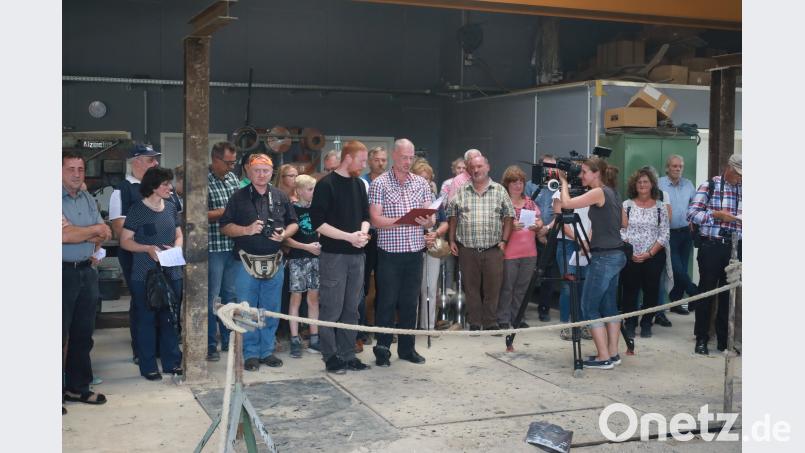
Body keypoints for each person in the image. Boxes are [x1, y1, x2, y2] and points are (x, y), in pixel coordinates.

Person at [220, 153, 299, 371]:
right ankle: (251, 353)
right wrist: (246, 230)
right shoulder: (238, 197)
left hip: (275, 260)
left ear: (272, 172)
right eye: (257, 170)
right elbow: (224, 226)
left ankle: (266, 351)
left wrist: (284, 234)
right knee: (247, 310)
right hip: (245, 262)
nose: (262, 174)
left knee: (270, 309)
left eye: (266, 170)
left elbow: (294, 223)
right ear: (248, 171)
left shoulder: (281, 196)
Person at [109, 143, 180, 363]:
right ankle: (142, 352)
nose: (156, 162)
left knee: (167, 304)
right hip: (137, 258)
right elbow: (120, 229)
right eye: (150, 159)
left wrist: (172, 245)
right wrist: (148, 243)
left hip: (168, 259)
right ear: (136, 161)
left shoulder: (168, 192)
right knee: (144, 305)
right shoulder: (122, 191)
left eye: (156, 159)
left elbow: (176, 220)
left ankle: (163, 351)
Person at [556, 156, 626, 370]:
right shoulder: (613, 192)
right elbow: (624, 222)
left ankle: (603, 356)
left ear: (596, 173)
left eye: (584, 171)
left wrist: (564, 183)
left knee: (589, 307)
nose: (581, 175)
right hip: (616, 254)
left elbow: (566, 204)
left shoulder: (598, 192)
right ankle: (613, 353)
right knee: (609, 306)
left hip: (604, 258)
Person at [369, 138, 435, 366]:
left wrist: (428, 222)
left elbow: (431, 217)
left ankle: (407, 349)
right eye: (404, 157)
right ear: (394, 156)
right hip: (389, 254)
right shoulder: (380, 184)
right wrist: (404, 222)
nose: (408, 162)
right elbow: (375, 219)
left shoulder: (421, 183)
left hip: (415, 253)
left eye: (411, 157)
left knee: (409, 303)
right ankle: (382, 350)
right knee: (386, 302)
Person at [310, 140, 372, 374]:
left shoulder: (359, 185)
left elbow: (366, 215)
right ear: (348, 158)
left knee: (352, 308)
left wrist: (362, 234)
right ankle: (330, 356)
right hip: (334, 256)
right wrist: (348, 237)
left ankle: (348, 354)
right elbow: (319, 223)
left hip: (357, 255)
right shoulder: (326, 185)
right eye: (362, 160)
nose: (364, 165)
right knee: (331, 308)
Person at [119, 167, 184, 380]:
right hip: (144, 273)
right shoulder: (137, 209)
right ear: (153, 187)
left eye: (170, 183)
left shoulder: (171, 207)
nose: (170, 187)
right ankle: (148, 366)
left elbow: (178, 234)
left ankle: (172, 362)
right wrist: (147, 249)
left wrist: (176, 247)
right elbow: (125, 241)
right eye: (165, 184)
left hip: (171, 270)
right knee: (146, 319)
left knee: (170, 318)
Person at [62, 151, 111, 408]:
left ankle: (77, 388)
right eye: (70, 169)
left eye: (80, 169)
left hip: (86, 270)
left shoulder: (87, 199)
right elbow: (64, 237)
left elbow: (105, 230)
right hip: (61, 272)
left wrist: (84, 232)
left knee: (83, 334)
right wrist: (90, 231)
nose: (76, 174)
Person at [448, 155, 514, 331]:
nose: (476, 170)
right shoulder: (461, 191)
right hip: (467, 250)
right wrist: (451, 239)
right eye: (472, 167)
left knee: (493, 289)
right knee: (471, 289)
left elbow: (509, 216)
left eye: (479, 166)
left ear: (488, 167)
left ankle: (490, 322)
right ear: (469, 170)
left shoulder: (499, 190)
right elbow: (452, 216)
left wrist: (504, 241)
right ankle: (475, 323)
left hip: (493, 249)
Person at [687, 153, 742, 355]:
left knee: (729, 295)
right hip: (712, 246)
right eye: (738, 174)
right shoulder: (709, 185)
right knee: (706, 293)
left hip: (736, 248)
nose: (740, 179)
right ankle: (701, 338)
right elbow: (691, 214)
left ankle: (724, 340)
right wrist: (715, 216)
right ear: (729, 168)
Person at [619, 168, 671, 340]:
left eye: (646, 182)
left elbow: (664, 234)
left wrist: (649, 253)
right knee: (630, 291)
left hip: (654, 256)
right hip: (631, 256)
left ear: (652, 185)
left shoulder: (660, 207)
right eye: (639, 182)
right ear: (635, 185)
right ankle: (630, 323)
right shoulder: (626, 205)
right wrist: (632, 252)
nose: (642, 185)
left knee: (651, 290)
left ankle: (647, 323)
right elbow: (621, 231)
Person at [206, 141, 241, 361]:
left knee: (230, 296)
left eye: (233, 163)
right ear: (215, 160)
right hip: (213, 247)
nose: (231, 167)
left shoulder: (233, 179)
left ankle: (229, 341)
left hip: (233, 247)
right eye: (227, 163)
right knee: (212, 297)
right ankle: (209, 344)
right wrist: (226, 212)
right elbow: (196, 213)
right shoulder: (201, 181)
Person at [497, 166, 542, 329]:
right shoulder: (503, 202)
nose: (518, 185)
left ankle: (518, 317)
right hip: (510, 252)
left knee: (522, 287)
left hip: (529, 252)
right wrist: (508, 225)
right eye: (514, 182)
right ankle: (503, 318)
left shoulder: (530, 202)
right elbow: (495, 223)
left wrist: (538, 225)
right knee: (507, 287)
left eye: (521, 182)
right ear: (507, 184)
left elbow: (540, 220)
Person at [551, 169, 593, 341]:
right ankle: (566, 324)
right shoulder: (559, 193)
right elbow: (560, 220)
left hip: (588, 243)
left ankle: (583, 324)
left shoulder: (592, 193)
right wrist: (579, 240)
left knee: (585, 285)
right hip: (567, 243)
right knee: (569, 286)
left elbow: (595, 221)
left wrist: (587, 242)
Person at [285, 174, 322, 358]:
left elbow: (322, 229)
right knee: (296, 299)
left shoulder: (317, 208)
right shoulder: (291, 210)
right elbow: (286, 239)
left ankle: (314, 337)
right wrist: (306, 247)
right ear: (299, 191)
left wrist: (319, 245)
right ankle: (294, 338)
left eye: (314, 189)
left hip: (315, 259)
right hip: (297, 259)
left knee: (314, 299)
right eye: (310, 189)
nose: (313, 193)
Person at [658, 155, 698, 315]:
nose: (678, 169)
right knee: (677, 268)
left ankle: (676, 302)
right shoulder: (660, 184)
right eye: (674, 166)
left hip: (686, 232)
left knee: (681, 267)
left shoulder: (688, 184)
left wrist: (693, 219)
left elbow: (695, 204)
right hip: (668, 233)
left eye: (680, 166)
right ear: (667, 168)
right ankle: (695, 293)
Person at [357, 146, 388, 348]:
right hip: (367, 238)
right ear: (369, 161)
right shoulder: (362, 182)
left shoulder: (391, 182)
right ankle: (360, 329)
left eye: (384, 160)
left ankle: (383, 328)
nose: (381, 163)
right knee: (362, 286)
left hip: (388, 239)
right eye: (377, 159)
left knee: (386, 285)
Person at [412, 159, 447, 331]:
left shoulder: (434, 198)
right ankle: (409, 327)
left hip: (431, 246)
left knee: (431, 289)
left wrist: (437, 232)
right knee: (411, 290)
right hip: (410, 246)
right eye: (421, 177)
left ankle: (428, 327)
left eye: (427, 179)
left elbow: (444, 222)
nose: (425, 182)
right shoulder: (406, 197)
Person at [526, 154, 559, 322]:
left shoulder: (559, 187)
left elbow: (561, 212)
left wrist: (546, 230)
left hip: (552, 234)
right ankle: (522, 307)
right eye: (548, 166)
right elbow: (525, 210)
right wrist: (538, 232)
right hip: (532, 235)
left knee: (549, 274)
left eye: (554, 166)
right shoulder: (530, 186)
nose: (551, 170)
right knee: (529, 272)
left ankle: (544, 308)